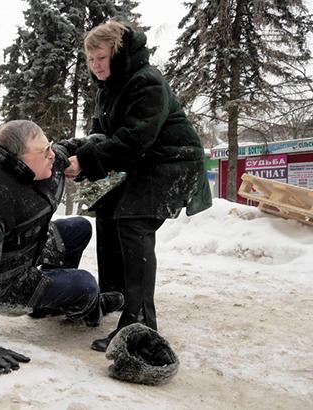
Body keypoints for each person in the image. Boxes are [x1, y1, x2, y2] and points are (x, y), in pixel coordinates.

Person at [0, 120, 124, 375]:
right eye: (44, 151)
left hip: (23, 246)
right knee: (86, 284)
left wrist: (105, 147)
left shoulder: (45, 161)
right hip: (1, 282)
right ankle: (90, 309)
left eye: (49, 147)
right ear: (18, 160)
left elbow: (72, 147)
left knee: (80, 228)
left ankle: (51, 304)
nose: (52, 155)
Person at [64, 20, 212, 352]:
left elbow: (132, 140)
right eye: (90, 60)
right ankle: (115, 296)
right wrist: (71, 151)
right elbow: (101, 137)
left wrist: (87, 161)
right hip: (146, 162)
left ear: (117, 53)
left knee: (133, 222)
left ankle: (139, 323)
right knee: (107, 211)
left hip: (174, 163)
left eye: (101, 58)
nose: (96, 66)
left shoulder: (147, 83)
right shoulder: (108, 89)